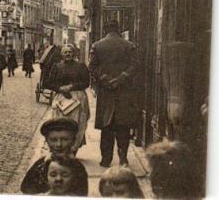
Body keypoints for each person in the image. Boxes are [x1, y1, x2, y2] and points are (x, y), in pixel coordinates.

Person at [88, 20, 138, 167]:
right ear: (119, 29)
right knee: (123, 126)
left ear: (105, 30)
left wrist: (105, 79)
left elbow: (92, 67)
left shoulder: (97, 46)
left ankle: (106, 159)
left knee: (106, 127)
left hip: (106, 92)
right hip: (124, 91)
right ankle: (123, 158)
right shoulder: (129, 46)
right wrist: (121, 78)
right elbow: (135, 66)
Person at [21, 117, 89, 196]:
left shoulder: (77, 168)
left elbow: (81, 194)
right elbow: (26, 190)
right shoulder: (40, 165)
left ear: (74, 141)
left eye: (64, 139)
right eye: (53, 140)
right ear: (47, 141)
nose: (58, 144)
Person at [44, 44, 91, 155]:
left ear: (73, 53)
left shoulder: (81, 66)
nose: (67, 54)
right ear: (62, 54)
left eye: (70, 52)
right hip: (61, 98)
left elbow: (86, 82)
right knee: (60, 124)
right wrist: (59, 88)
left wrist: (72, 87)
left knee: (77, 124)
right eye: (65, 52)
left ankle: (73, 149)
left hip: (78, 98)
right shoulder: (57, 66)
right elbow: (48, 82)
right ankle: (60, 149)